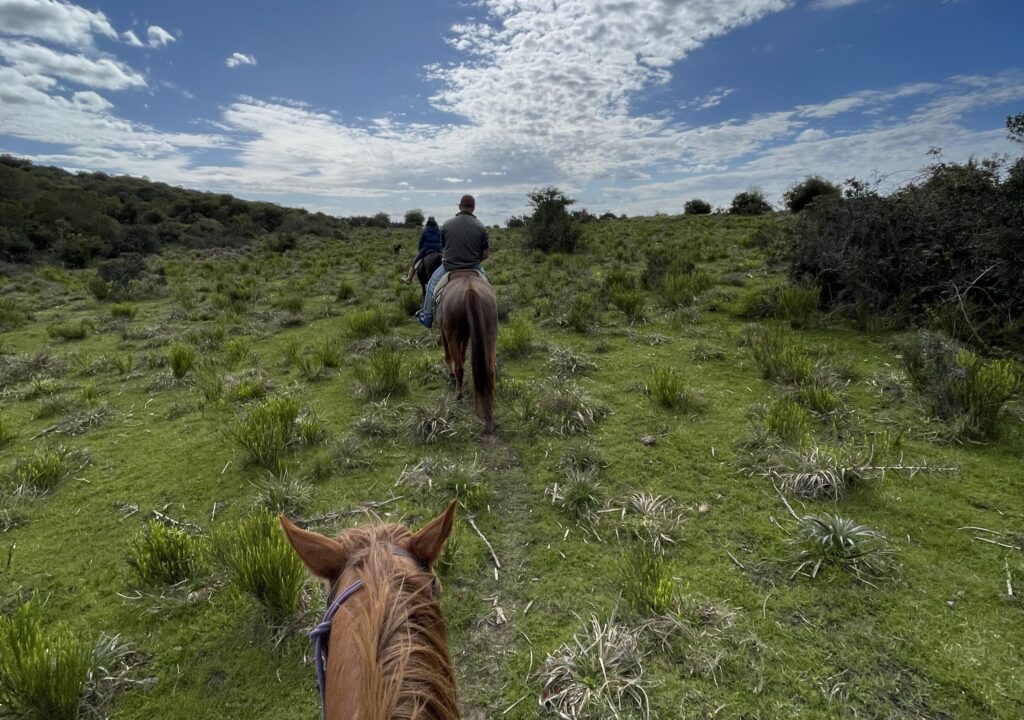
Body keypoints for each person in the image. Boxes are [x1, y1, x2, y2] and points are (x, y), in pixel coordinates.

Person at [417, 195, 490, 329]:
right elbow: (485, 253)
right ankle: (491, 316)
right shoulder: (481, 227)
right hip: (474, 267)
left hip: (449, 267)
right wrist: (473, 260)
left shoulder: (447, 224)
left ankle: (426, 316)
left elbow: (443, 248)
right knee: (489, 288)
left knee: (431, 286)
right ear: (473, 208)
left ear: (460, 206)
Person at [402, 216, 443, 284]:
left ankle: (409, 278)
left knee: (415, 262)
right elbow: (442, 240)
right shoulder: (439, 230)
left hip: (426, 247)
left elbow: (421, 241)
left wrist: (420, 250)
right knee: (446, 261)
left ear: (428, 222)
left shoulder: (425, 230)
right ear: (435, 223)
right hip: (438, 248)